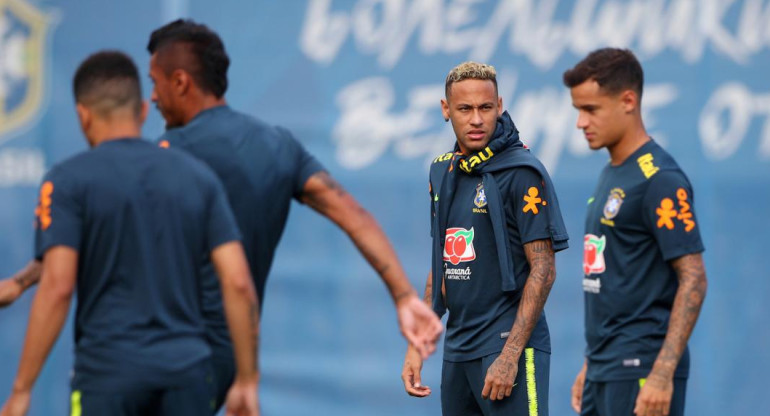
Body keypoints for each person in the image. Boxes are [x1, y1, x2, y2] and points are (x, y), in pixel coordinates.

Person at [0, 51, 259, 416]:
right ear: (141, 110)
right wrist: (247, 379)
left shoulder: (68, 180)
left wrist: (22, 390)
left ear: (82, 115)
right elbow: (237, 282)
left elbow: (58, 286)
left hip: (108, 378)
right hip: (186, 377)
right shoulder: (198, 178)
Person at [401, 61, 569, 416]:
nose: (476, 119)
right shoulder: (441, 171)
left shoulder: (522, 172)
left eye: (485, 108)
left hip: (508, 348)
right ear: (446, 110)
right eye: (465, 109)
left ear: (500, 106)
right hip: (459, 350)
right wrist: (417, 345)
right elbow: (442, 264)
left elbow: (544, 269)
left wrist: (510, 357)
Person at [562, 48, 708, 416]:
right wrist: (590, 364)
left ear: (628, 101)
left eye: (590, 109)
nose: (580, 122)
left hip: (641, 368)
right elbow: (616, 281)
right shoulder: (613, 170)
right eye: (578, 109)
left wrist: (661, 375)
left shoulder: (660, 179)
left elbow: (694, 279)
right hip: (605, 368)